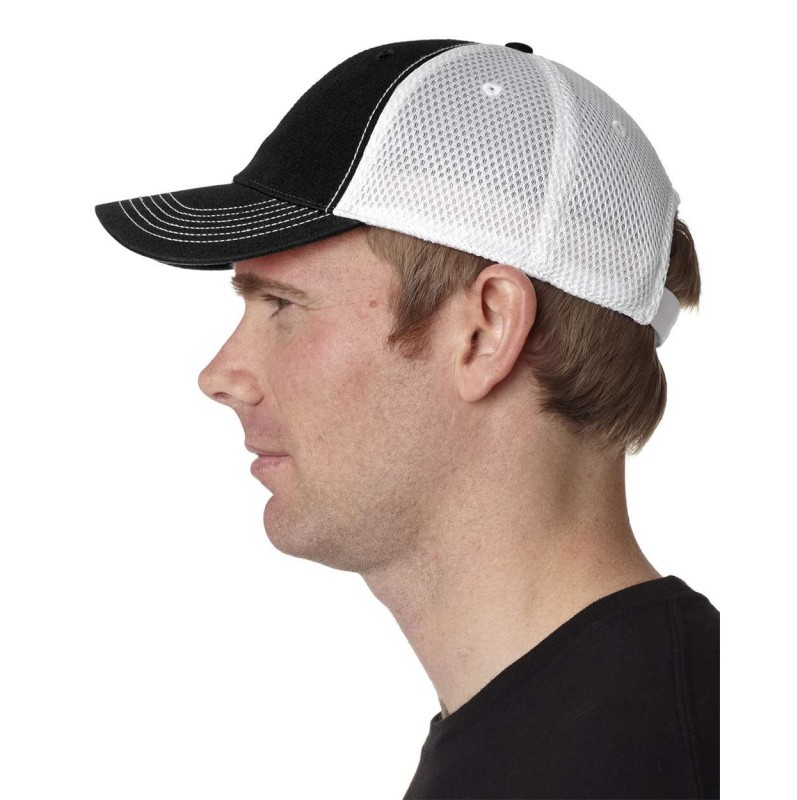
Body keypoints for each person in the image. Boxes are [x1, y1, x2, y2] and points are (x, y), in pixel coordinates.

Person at [95, 38, 719, 799]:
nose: (220, 375)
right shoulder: (591, 729)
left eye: (283, 305)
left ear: (485, 331)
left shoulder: (633, 764)